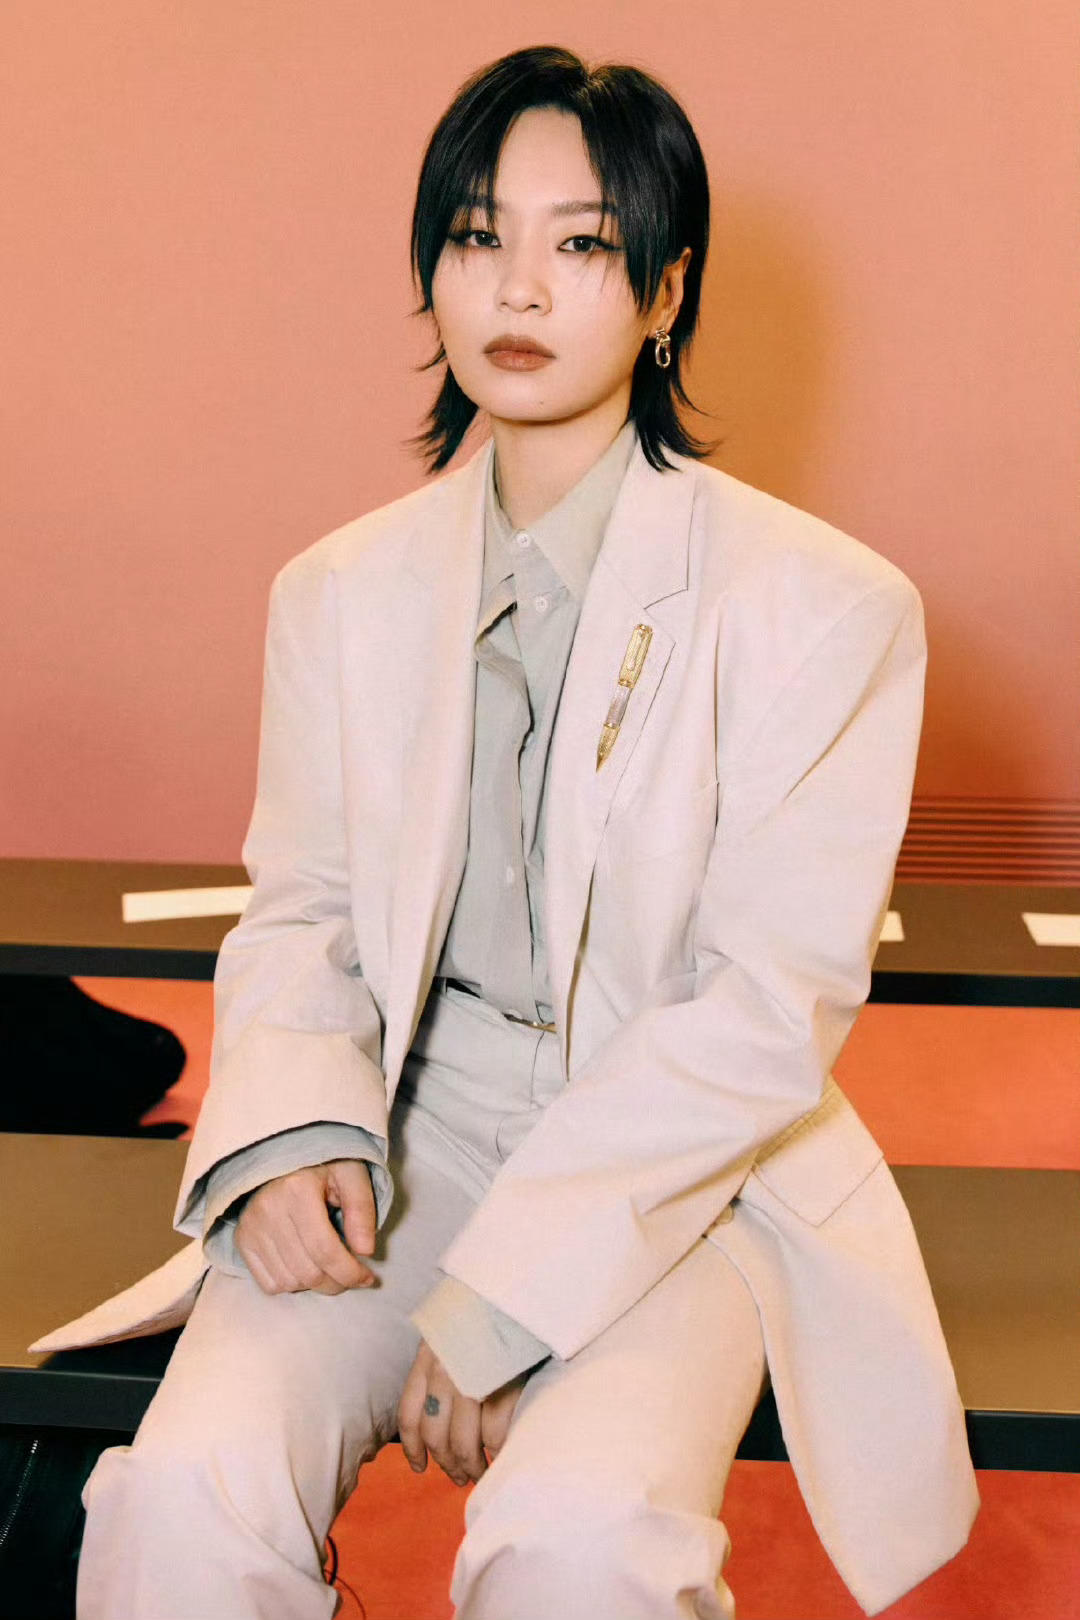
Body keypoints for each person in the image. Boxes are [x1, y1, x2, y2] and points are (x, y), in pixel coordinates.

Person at [67, 44, 978, 1620]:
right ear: (432, 269)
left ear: (668, 291)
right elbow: (304, 913)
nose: (521, 288)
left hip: (686, 1176)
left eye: (584, 244)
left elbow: (765, 1012)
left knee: (578, 1549)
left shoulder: (827, 608)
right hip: (403, 1143)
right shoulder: (338, 591)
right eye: (479, 235)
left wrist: (508, 1296)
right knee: (178, 1504)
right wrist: (290, 1138)